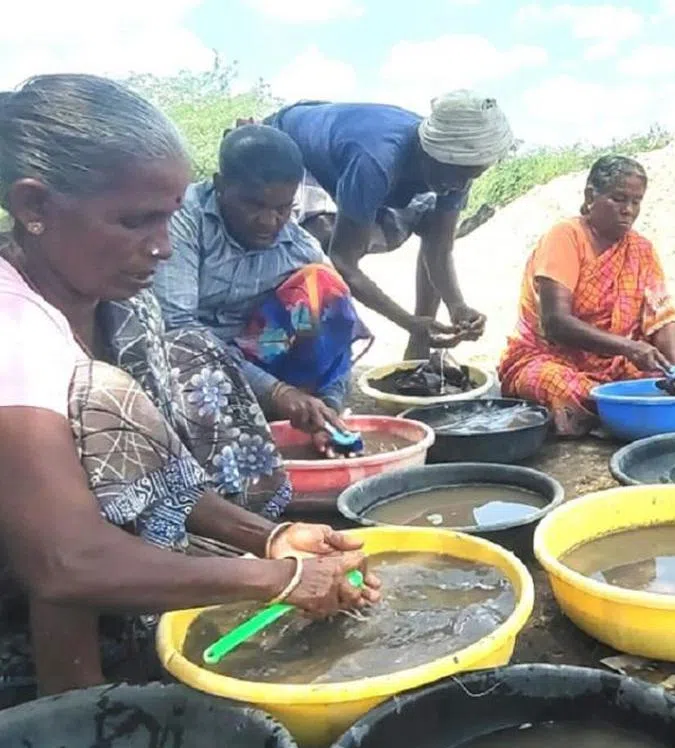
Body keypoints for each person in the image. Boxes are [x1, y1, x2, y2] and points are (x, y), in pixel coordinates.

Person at [0, 74, 381, 697]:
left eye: (168, 220)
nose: (161, 249)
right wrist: (278, 580)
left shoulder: (120, 305)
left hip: (68, 551)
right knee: (108, 391)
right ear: (35, 206)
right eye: (134, 222)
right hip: (36, 567)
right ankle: (73, 705)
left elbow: (155, 476)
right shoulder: (12, 323)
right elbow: (62, 560)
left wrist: (272, 537)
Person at [155, 125, 371, 456]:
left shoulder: (298, 247)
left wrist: (326, 409)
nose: (269, 221)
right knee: (180, 346)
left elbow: (337, 337)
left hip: (257, 355)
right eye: (254, 205)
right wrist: (276, 392)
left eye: (282, 208)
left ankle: (292, 410)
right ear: (220, 185)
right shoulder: (183, 219)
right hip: (186, 359)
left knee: (324, 288)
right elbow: (176, 325)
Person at [263, 91, 514, 359]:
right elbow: (343, 260)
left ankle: (419, 349)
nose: (460, 187)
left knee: (429, 214)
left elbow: (439, 250)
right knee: (317, 246)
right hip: (289, 148)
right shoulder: (376, 160)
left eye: (471, 177)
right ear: (431, 153)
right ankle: (285, 353)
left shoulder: (458, 162)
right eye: (458, 175)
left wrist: (457, 306)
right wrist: (407, 322)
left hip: (349, 160)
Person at [498, 156, 675, 437]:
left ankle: (615, 409)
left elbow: (662, 316)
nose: (628, 210)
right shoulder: (565, 237)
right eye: (618, 199)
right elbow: (555, 323)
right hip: (557, 357)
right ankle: (623, 407)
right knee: (550, 383)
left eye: (636, 202)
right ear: (591, 196)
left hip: (619, 363)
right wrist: (627, 348)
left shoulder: (641, 249)